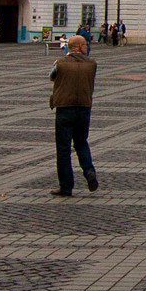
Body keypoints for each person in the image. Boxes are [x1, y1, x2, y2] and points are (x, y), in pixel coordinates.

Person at [49, 33, 99, 196]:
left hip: (64, 108)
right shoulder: (92, 64)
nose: (87, 47)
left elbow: (51, 76)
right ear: (78, 47)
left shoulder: (60, 63)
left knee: (63, 148)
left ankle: (66, 186)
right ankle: (89, 171)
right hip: (84, 107)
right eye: (85, 45)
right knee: (81, 142)